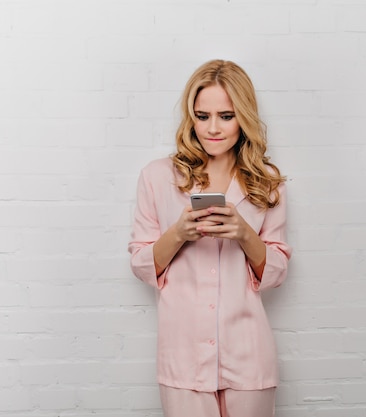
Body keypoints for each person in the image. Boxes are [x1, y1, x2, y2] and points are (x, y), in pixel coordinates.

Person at [128, 59, 292, 417]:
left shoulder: (266, 183)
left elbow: (277, 273)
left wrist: (244, 233)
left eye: (226, 116)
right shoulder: (157, 177)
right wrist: (179, 234)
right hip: (183, 356)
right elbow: (141, 265)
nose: (213, 128)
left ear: (243, 118)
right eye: (202, 116)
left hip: (248, 356)